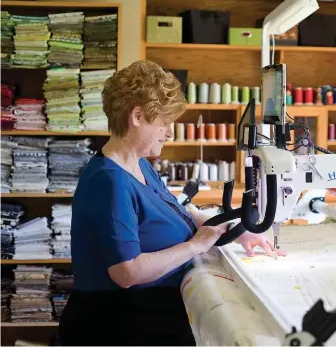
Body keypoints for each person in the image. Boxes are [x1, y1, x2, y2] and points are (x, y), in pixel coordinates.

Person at [59, 60, 285, 346]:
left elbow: (181, 214)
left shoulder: (140, 167)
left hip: (146, 316)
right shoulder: (109, 181)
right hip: (117, 325)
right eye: (164, 123)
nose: (170, 133)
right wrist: (195, 246)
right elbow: (127, 271)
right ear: (137, 116)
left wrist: (240, 230)